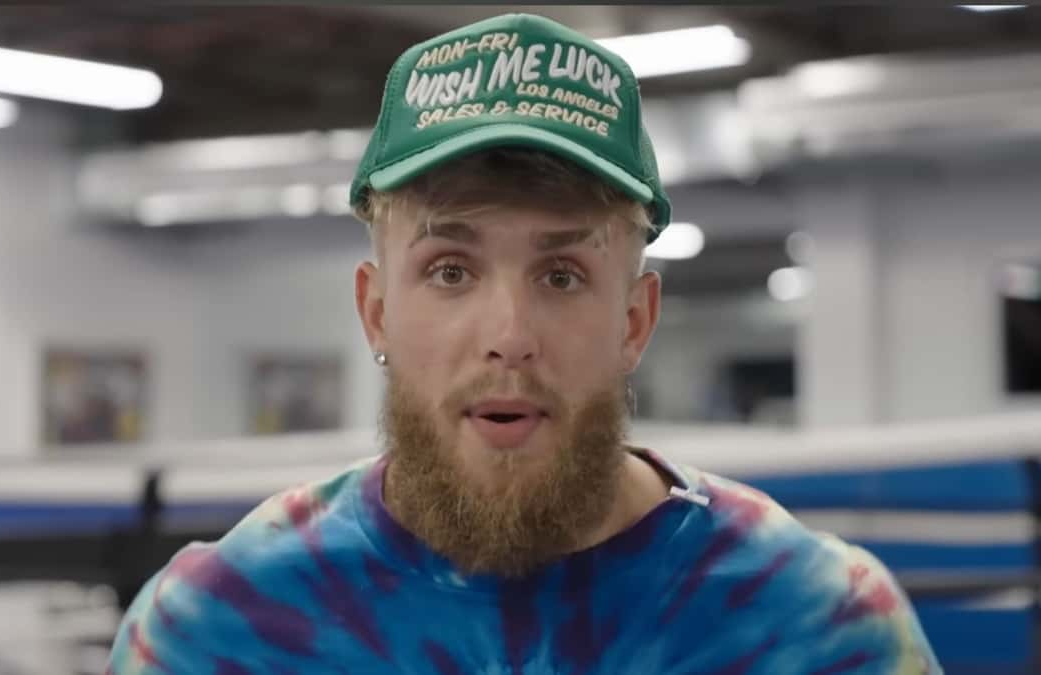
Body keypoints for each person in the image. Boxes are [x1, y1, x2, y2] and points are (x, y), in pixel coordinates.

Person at [108, 13, 940, 674]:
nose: (509, 338)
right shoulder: (218, 632)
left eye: (563, 274)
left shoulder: (817, 628)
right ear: (377, 313)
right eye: (449, 269)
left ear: (634, 322)